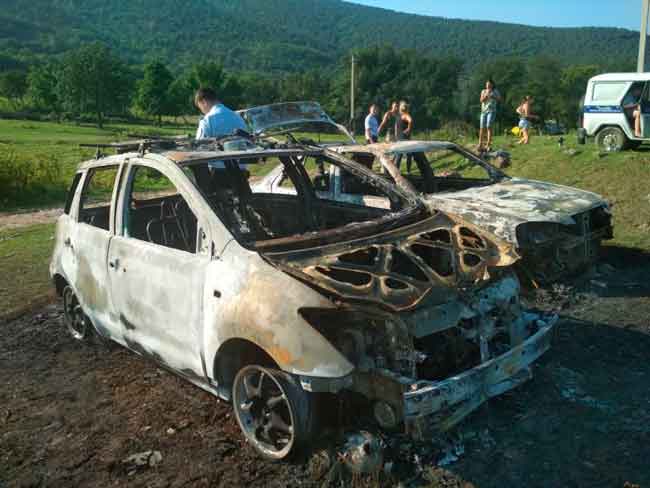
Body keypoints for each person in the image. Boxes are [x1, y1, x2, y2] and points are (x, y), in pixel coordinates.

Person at [478, 79, 501, 151]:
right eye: (487, 84)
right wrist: (486, 96)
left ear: (492, 85)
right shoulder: (483, 91)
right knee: (482, 128)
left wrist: (493, 96)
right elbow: (481, 100)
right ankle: (480, 144)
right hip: (483, 111)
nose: (488, 85)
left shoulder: (495, 91)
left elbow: (499, 99)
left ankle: (488, 144)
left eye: (489, 84)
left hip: (491, 111)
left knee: (489, 126)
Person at [396, 101, 414, 172]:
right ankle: (405, 171)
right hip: (401, 138)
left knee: (403, 155)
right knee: (400, 155)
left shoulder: (405, 115)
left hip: (404, 138)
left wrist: (409, 129)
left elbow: (411, 120)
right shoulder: (400, 115)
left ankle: (407, 171)